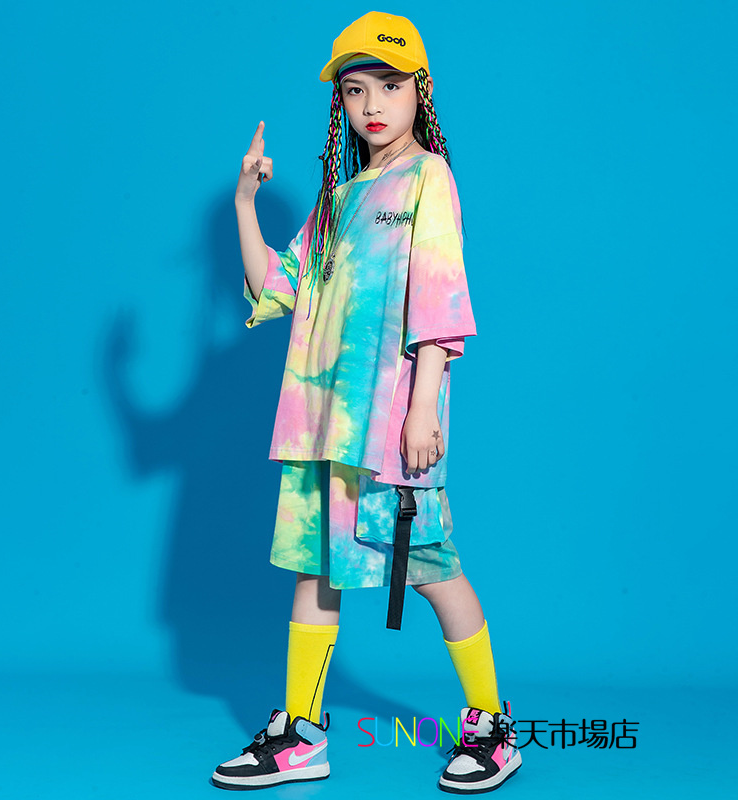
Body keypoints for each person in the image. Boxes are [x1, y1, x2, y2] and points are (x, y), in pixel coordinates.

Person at [211, 11, 522, 795]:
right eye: (355, 90)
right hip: (320, 429)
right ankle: (301, 734)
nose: (372, 104)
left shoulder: (428, 179)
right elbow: (276, 288)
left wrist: (424, 408)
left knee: (431, 567)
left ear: (420, 91)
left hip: (389, 427)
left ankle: (492, 725)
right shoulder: (339, 199)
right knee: (316, 571)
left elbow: (440, 296)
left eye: (388, 85)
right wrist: (245, 203)